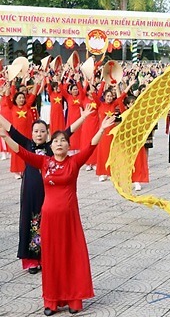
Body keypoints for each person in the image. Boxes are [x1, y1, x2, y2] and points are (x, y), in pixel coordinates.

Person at [0, 116, 115, 315]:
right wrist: (5, 137)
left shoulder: (74, 162)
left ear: (69, 145)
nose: (59, 143)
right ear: (50, 146)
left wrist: (102, 128)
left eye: (63, 140)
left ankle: (74, 300)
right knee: (52, 259)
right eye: (55, 141)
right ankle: (51, 301)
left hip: (70, 219)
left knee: (71, 257)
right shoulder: (43, 162)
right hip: (49, 220)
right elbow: (21, 151)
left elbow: (90, 146)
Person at [0, 107, 92, 275]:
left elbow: (69, 131)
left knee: (47, 225)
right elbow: (10, 128)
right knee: (30, 221)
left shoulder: (52, 146)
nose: (39, 134)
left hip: (49, 194)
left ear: (48, 133)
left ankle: (46, 258)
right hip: (30, 191)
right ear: (32, 133)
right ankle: (31, 261)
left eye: (42, 131)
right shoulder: (26, 144)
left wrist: (84, 117)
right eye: (36, 131)